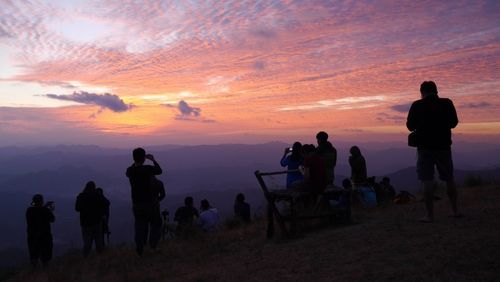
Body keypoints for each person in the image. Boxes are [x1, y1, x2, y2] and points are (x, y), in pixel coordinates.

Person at [407, 81, 459, 222]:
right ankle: (455, 211)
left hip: (424, 148)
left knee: (427, 180)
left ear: (422, 92)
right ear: (436, 91)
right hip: (443, 146)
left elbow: (410, 126)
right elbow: (454, 122)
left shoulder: (417, 105)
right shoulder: (447, 103)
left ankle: (430, 215)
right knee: (449, 178)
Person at [126, 147, 163, 255]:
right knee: (156, 223)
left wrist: (136, 162)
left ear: (133, 158)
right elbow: (159, 171)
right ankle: (152, 246)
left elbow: (129, 171)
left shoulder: (130, 171)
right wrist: (153, 160)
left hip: (137, 204)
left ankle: (140, 248)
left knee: (139, 226)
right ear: (143, 158)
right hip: (150, 202)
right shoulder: (147, 168)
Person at [75, 181, 108, 257]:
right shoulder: (97, 195)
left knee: (87, 242)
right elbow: (106, 203)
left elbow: (77, 208)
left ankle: (85, 257)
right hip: (97, 221)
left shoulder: (81, 196)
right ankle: (100, 257)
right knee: (98, 241)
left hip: (85, 223)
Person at [26, 194, 55, 268]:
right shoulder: (45, 211)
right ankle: (45, 273)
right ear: (41, 201)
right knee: (45, 256)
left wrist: (44, 207)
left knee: (34, 255)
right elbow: (52, 219)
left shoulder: (29, 211)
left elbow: (37, 211)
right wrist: (50, 210)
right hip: (45, 236)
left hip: (32, 236)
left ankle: (33, 273)